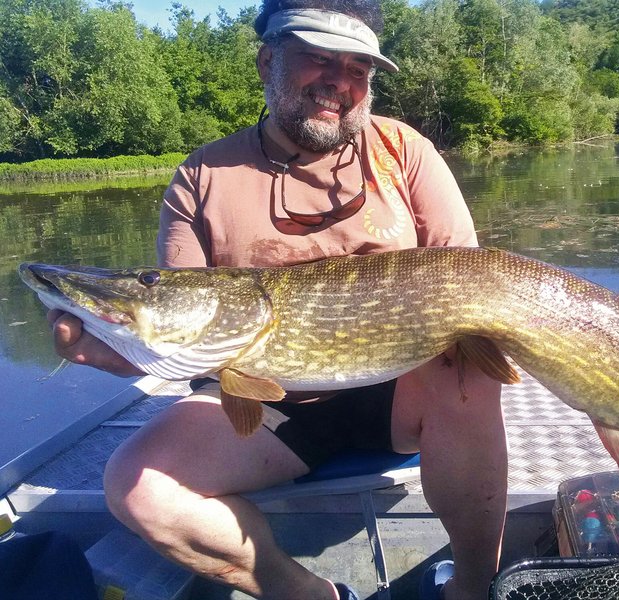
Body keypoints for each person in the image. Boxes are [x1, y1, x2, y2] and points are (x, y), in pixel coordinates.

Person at [47, 1, 507, 599]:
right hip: (266, 403)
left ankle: (472, 589)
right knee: (137, 488)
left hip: (402, 388)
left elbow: (467, 284)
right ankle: (306, 593)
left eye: (357, 68)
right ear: (268, 62)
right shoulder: (202, 177)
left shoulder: (404, 151)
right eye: (317, 59)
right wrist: (119, 349)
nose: (338, 82)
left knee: (469, 370)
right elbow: (188, 325)